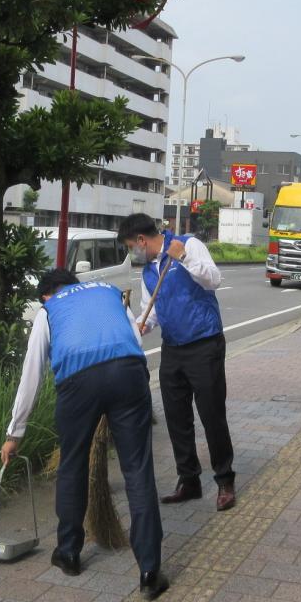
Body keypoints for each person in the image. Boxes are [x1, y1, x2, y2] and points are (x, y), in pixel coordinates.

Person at [0, 269, 168, 601]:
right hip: (129, 373)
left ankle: (69, 553)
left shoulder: (48, 311)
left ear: (47, 294)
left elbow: (31, 375)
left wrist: (14, 432)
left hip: (78, 383)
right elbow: (134, 340)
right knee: (137, 470)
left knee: (73, 465)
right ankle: (149, 570)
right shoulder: (108, 293)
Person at [117, 213, 236, 513]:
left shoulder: (188, 245)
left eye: (132, 245)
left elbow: (214, 280)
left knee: (212, 414)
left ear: (142, 240)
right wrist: (143, 326)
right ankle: (189, 480)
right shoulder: (148, 272)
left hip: (204, 343)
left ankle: (224, 480)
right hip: (173, 348)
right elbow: (151, 310)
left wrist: (182, 257)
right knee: (176, 417)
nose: (133, 251)